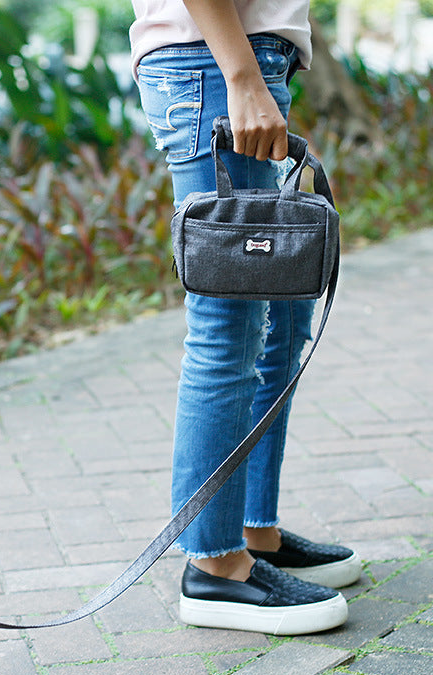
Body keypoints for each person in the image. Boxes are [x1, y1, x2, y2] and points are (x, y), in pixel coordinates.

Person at [130, 0, 362, 635]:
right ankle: (214, 565)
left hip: (242, 58)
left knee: (282, 320)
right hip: (213, 64)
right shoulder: (226, 72)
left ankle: (253, 532)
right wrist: (240, 76)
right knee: (228, 328)